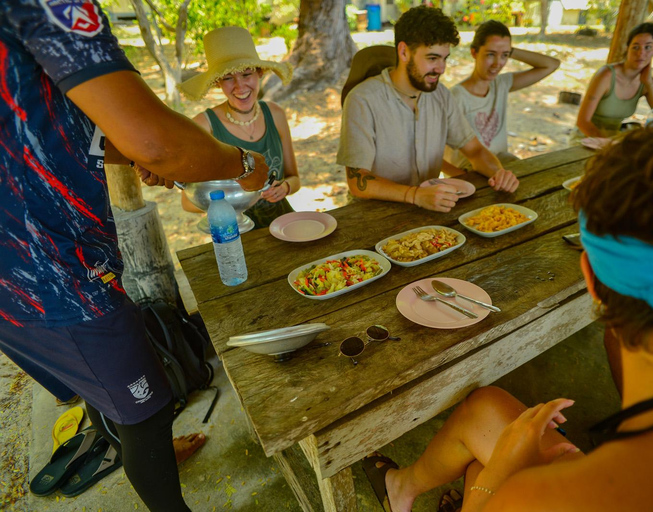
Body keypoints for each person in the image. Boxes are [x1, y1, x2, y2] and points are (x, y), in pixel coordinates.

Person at [362, 118, 653, 512]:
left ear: (591, 278)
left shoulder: (539, 498)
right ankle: (402, 488)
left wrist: (501, 475)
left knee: (478, 468)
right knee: (484, 408)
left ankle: (416, 487)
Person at [0, 2, 272, 510]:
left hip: (17, 275)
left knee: (101, 386)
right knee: (148, 407)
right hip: (55, 275)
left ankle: (143, 451)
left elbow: (45, 124)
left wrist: (127, 150)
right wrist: (243, 163)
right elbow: (158, 144)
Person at [337, 6, 519, 214]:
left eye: (444, 58)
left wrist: (499, 173)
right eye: (432, 58)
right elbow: (357, 180)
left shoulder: (441, 95)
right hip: (372, 214)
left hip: (428, 208)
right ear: (404, 52)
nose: (441, 69)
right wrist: (414, 195)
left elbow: (475, 150)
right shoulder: (363, 99)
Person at [178, 26, 299, 229]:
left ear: (259, 73)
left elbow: (294, 178)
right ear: (218, 82)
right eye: (228, 78)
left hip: (283, 225)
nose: (240, 86)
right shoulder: (204, 125)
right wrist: (236, 200)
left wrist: (285, 187)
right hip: (234, 232)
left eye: (246, 74)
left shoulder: (275, 114)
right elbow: (188, 202)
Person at [445, 20, 560, 170]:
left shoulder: (501, 84)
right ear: (474, 52)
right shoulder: (456, 97)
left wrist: (509, 50)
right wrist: (459, 177)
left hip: (502, 165)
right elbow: (433, 152)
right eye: (490, 54)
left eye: (504, 55)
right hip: (471, 171)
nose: (497, 63)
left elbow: (551, 64)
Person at [573, 22, 653, 142]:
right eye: (635, 47)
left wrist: (649, 82)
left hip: (615, 138)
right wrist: (608, 145)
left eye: (648, 47)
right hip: (587, 138)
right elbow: (582, 122)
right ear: (627, 48)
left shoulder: (647, 82)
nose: (641, 53)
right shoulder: (606, 75)